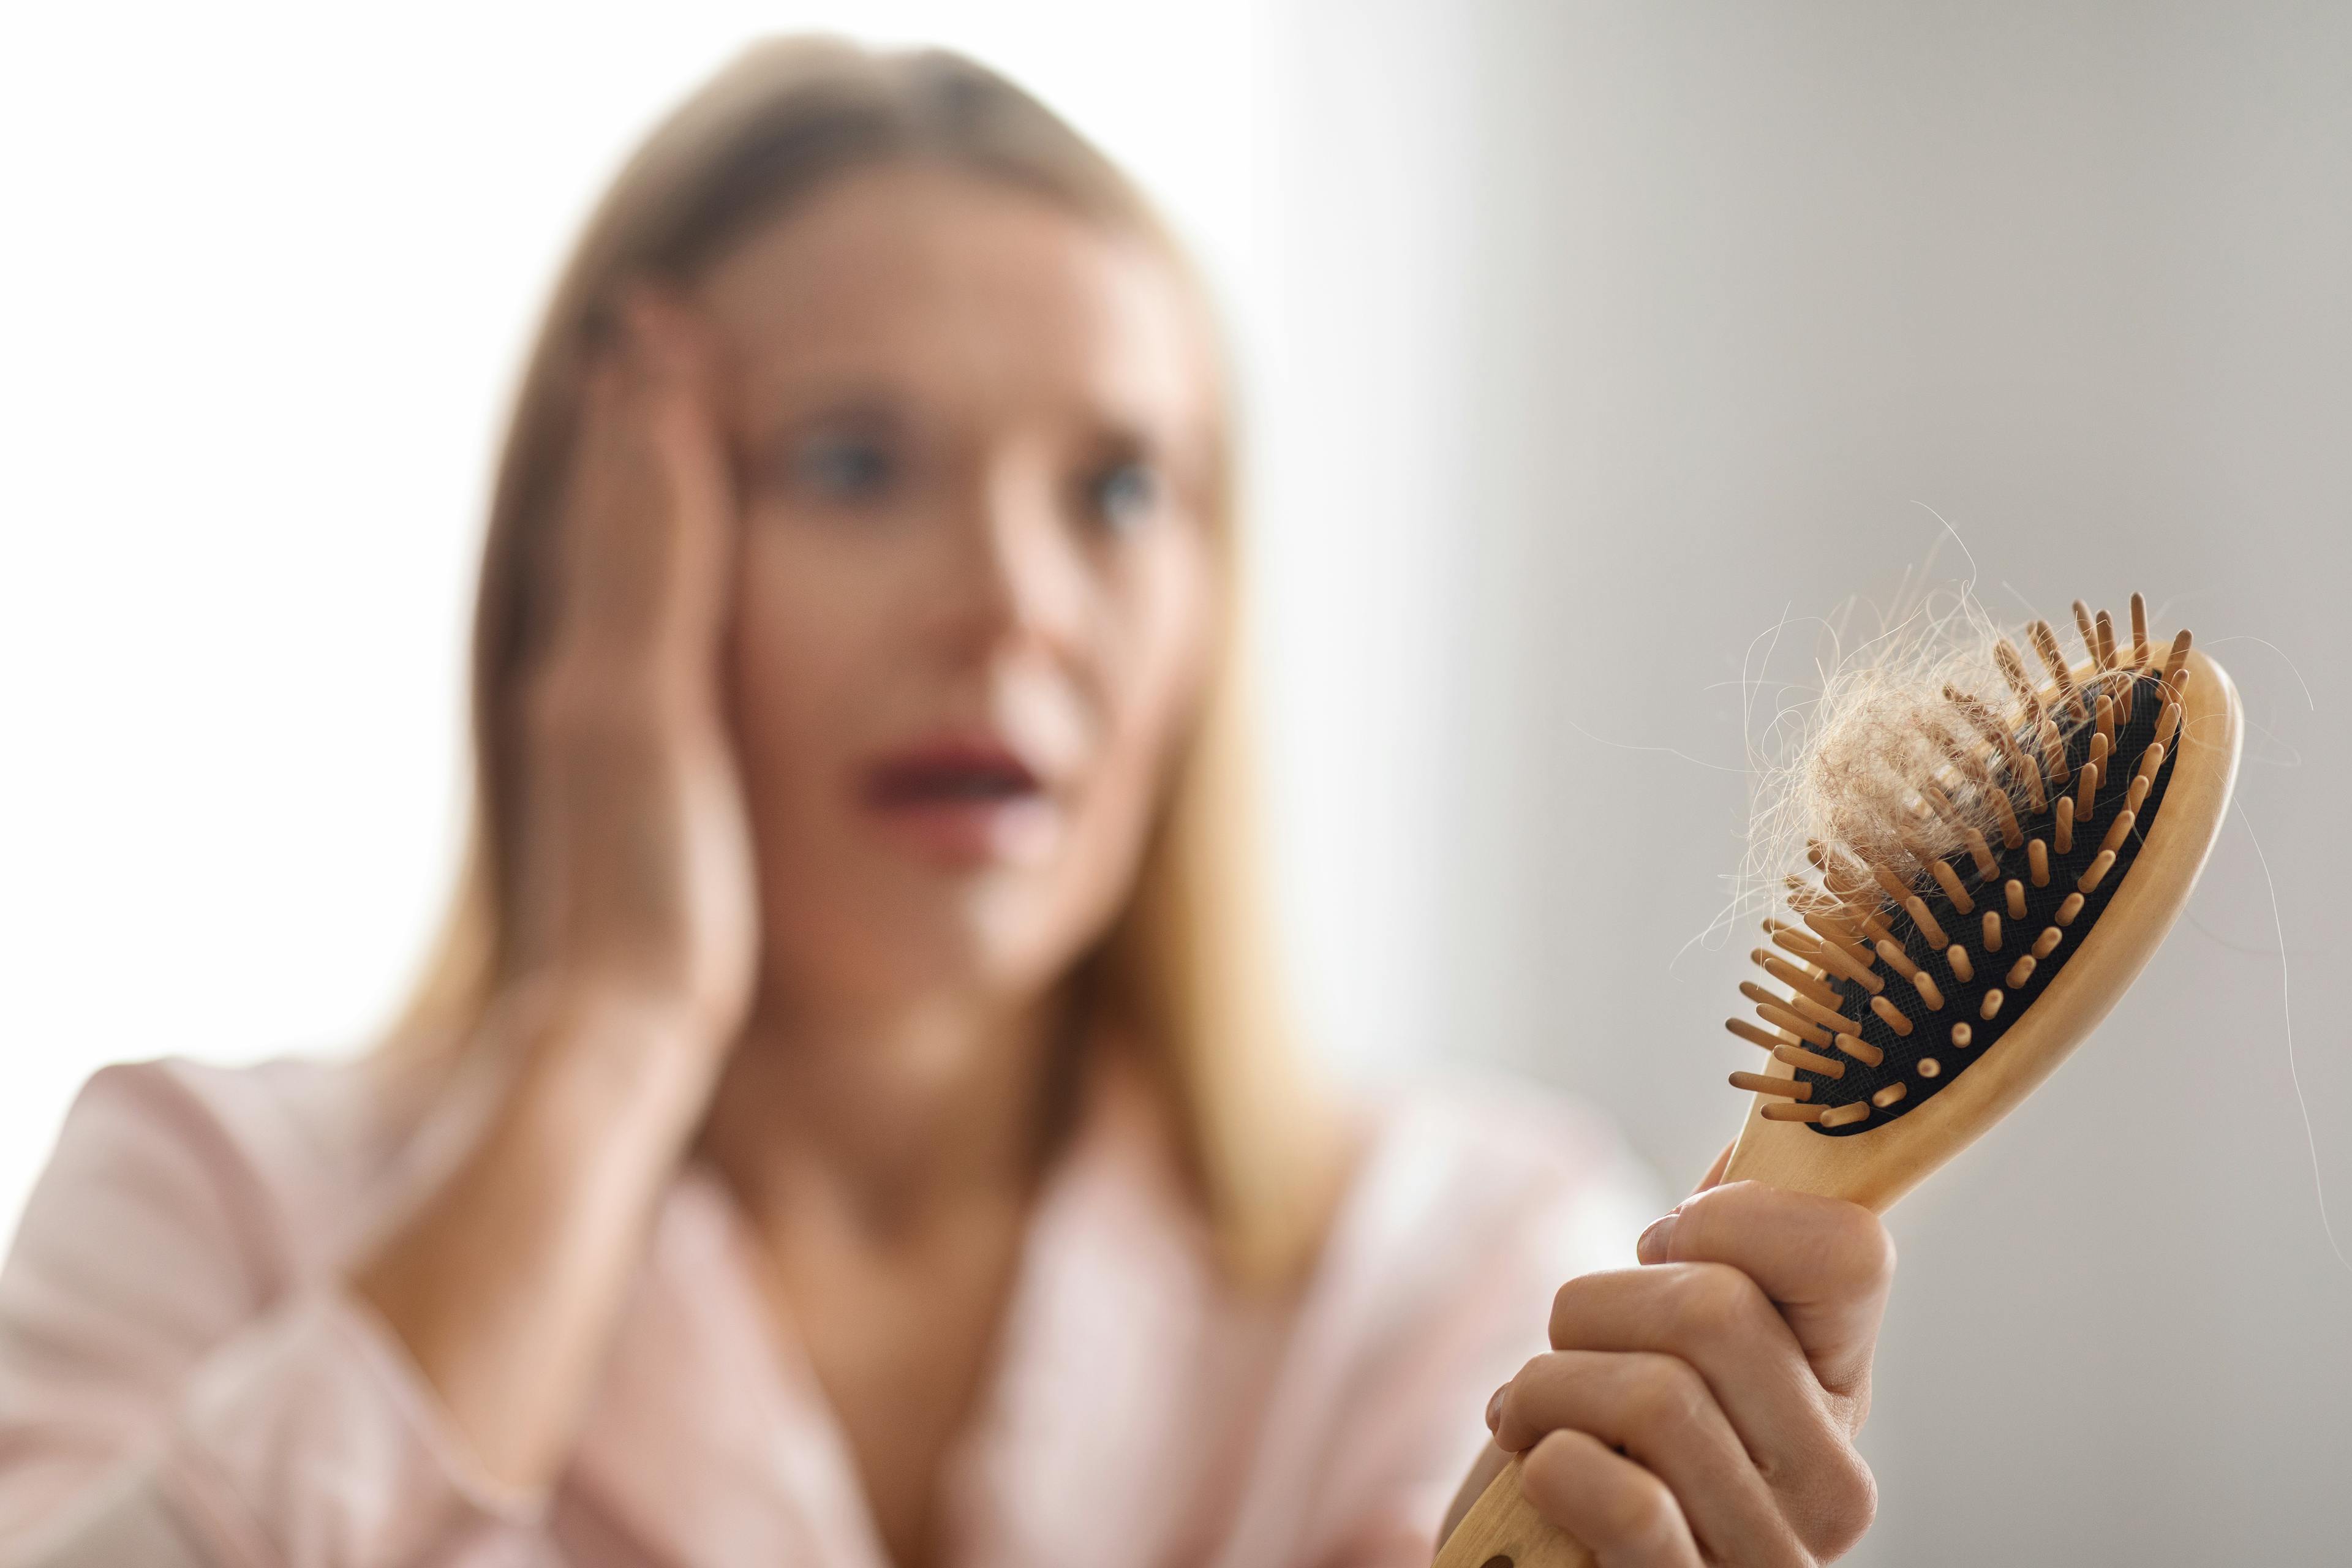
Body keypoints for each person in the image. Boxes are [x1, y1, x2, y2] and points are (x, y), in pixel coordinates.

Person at [0, 39, 1893, 1568]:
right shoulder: (210, 1210)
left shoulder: (1478, 1266)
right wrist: (609, 1035)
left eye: (1121, 489)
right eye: (854, 461)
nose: (1014, 604)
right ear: (592, 562)